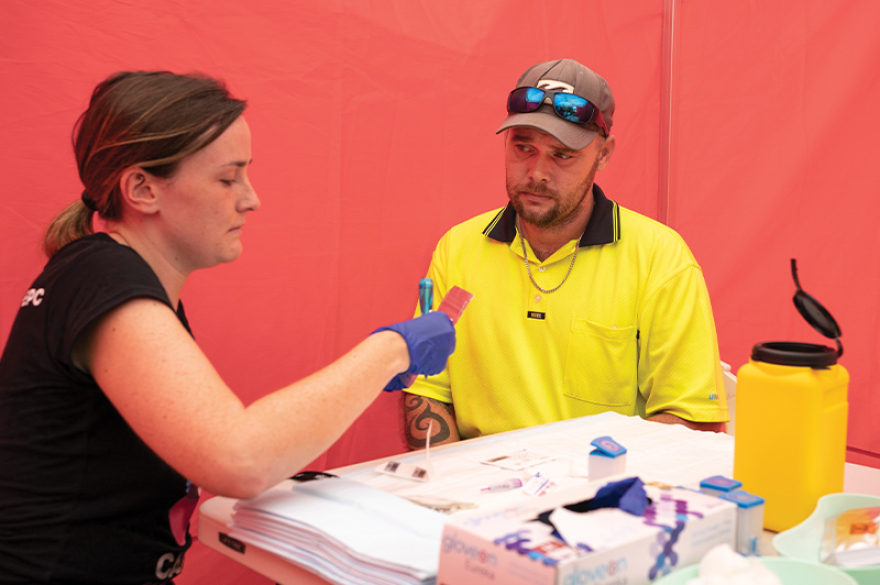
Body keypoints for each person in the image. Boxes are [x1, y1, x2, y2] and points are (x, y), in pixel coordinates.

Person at [0, 71, 456, 584]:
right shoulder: (103, 279)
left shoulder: (108, 276)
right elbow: (239, 461)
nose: (251, 199)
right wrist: (393, 349)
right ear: (142, 188)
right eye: (227, 177)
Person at [403, 58, 728, 450]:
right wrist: (448, 488)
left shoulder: (661, 259)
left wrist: (571, 490)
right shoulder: (457, 249)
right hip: (476, 496)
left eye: (562, 155)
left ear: (604, 154)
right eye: (523, 147)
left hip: (599, 498)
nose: (537, 172)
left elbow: (693, 420)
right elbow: (426, 390)